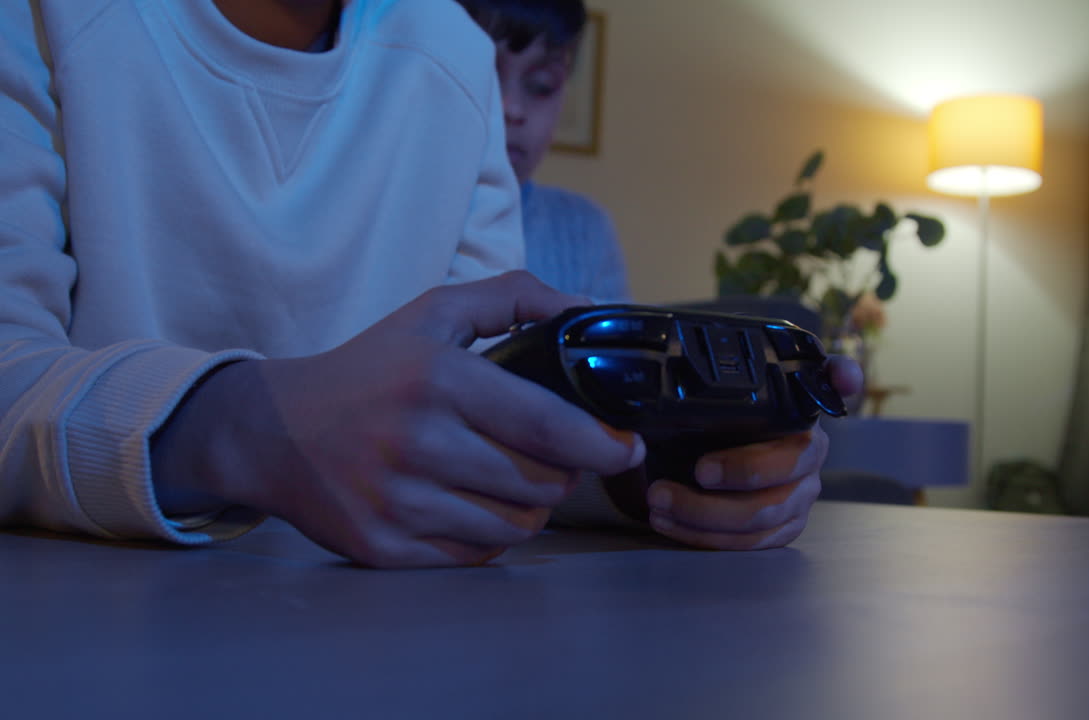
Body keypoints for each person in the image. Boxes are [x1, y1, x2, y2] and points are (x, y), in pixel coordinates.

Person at [0, 0, 860, 568]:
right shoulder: (42, 21)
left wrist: (647, 473)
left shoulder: (451, 53)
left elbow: (484, 409)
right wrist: (243, 431)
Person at [457, 0, 629, 302]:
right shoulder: (383, 210)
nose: (512, 108)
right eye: (482, 75)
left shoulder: (584, 230)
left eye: (541, 85)